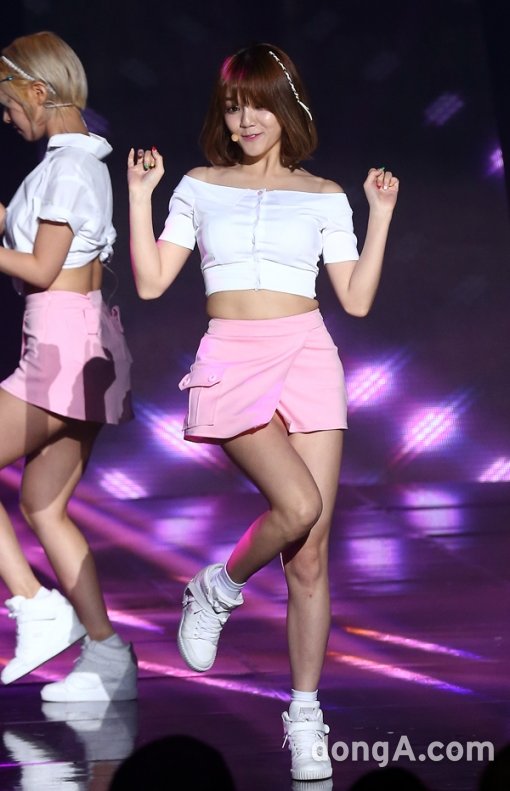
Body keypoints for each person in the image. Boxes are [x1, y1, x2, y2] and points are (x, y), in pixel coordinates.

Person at [127, 43, 399, 781]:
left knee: (310, 552)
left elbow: (356, 299)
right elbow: (151, 283)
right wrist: (142, 195)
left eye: (256, 105)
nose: (244, 119)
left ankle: (305, 714)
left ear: (287, 106)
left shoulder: (324, 194)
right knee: (298, 505)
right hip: (233, 355)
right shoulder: (199, 185)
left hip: (308, 354)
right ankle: (218, 585)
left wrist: (379, 216)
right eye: (232, 106)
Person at [0, 31, 137, 702]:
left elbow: (41, 267)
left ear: (37, 91)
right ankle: (108, 654)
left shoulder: (69, 168)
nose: (6, 117)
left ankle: (36, 606)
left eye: (7, 103)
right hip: (83, 346)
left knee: (43, 504)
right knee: (43, 504)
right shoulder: (74, 163)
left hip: (61, 349)